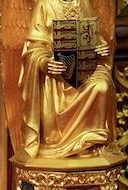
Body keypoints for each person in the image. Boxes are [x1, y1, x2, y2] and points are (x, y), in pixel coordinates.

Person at [18, 0, 117, 160]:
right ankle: (58, 142)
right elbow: (33, 48)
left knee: (102, 84)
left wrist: (101, 47)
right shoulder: (45, 4)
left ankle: (93, 142)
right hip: (56, 75)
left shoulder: (83, 2)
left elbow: (93, 36)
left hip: (85, 69)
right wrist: (45, 62)